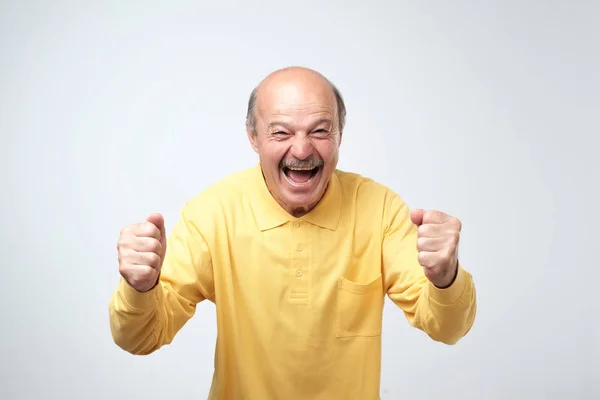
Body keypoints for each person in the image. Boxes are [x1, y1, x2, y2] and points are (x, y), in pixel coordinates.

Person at [108, 66, 477, 399]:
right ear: (253, 137)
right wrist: (141, 288)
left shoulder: (379, 210)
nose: (302, 149)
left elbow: (448, 328)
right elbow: (140, 337)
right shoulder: (212, 214)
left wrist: (446, 278)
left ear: (340, 136)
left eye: (319, 131)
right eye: (281, 132)